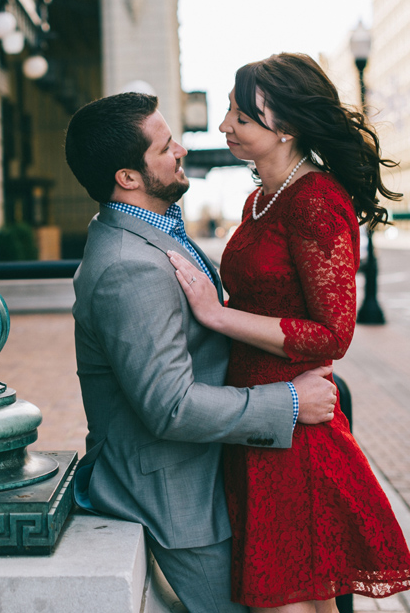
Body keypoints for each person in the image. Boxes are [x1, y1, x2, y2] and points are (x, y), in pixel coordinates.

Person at [64, 91, 340, 613]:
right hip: (176, 498)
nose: (182, 150)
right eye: (166, 146)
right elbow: (171, 406)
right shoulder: (130, 267)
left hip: (212, 473)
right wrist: (292, 402)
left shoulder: (151, 233)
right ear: (128, 177)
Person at [168, 53, 410, 612]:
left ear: (282, 127)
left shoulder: (316, 202)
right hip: (260, 418)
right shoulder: (261, 197)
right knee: (291, 600)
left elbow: (333, 334)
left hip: (295, 436)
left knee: (287, 603)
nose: (223, 126)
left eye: (239, 116)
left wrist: (217, 314)